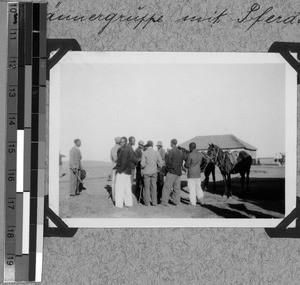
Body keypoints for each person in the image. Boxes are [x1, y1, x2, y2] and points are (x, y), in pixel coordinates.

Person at [115, 137, 138, 208]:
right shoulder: (130, 149)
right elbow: (134, 159)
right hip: (128, 172)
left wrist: (120, 170)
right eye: (120, 142)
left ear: (126, 142)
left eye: (122, 142)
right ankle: (128, 203)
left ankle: (119, 204)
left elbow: (124, 162)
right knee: (127, 188)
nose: (121, 143)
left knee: (119, 188)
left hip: (122, 172)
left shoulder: (123, 150)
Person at [161, 139, 184, 206]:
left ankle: (164, 202)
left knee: (166, 188)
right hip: (178, 173)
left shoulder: (171, 151)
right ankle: (177, 202)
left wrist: (169, 170)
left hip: (172, 172)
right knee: (177, 188)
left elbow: (168, 162)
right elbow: (181, 162)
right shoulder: (181, 152)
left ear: (171, 143)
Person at [141, 140, 163, 206]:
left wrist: (143, 169)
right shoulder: (157, 153)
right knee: (154, 187)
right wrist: (157, 170)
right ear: (153, 146)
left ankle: (147, 203)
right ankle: (154, 202)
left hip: (146, 172)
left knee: (146, 187)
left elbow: (142, 164)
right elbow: (161, 163)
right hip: (154, 172)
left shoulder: (144, 153)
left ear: (147, 145)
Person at [110, 137, 121, 202]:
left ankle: (114, 198)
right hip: (119, 167)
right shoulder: (120, 148)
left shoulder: (112, 148)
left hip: (113, 166)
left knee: (114, 183)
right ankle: (117, 198)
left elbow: (111, 158)